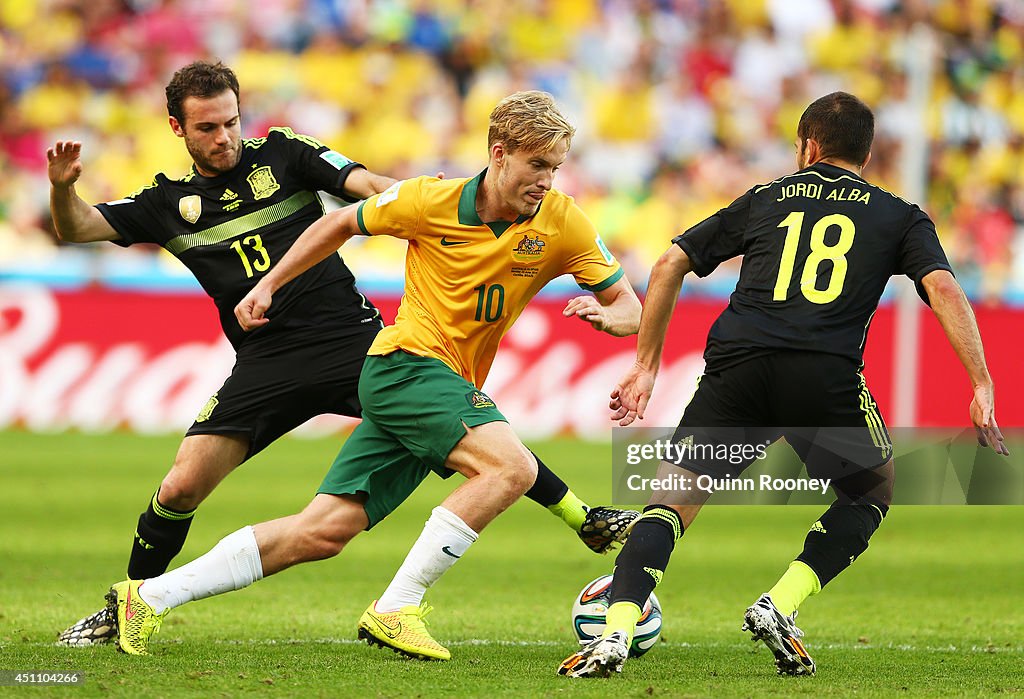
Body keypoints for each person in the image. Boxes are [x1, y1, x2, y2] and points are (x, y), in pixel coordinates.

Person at [49, 63, 636, 647]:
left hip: (353, 343)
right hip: (304, 360)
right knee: (181, 487)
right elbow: (77, 229)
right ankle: (143, 600)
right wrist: (62, 188)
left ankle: (146, 599)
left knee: (348, 515)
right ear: (178, 129)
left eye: (232, 121)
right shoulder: (165, 202)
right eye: (208, 128)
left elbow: (368, 192)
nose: (224, 136)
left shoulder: (286, 155)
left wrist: (434, 204)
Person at [558, 91, 1009, 679]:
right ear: (865, 155)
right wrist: (980, 381)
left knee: (671, 501)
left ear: (809, 145)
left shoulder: (768, 198)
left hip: (738, 366)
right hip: (821, 375)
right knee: (868, 494)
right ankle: (780, 604)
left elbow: (669, 263)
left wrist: (646, 364)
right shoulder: (899, 214)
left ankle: (614, 633)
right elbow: (945, 291)